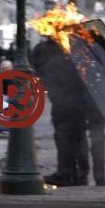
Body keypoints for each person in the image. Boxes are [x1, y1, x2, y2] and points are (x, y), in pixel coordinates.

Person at [32, 38, 88, 186]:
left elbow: (38, 69)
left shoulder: (46, 50)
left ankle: (65, 174)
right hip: (80, 101)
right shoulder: (78, 47)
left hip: (64, 100)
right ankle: (80, 175)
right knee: (78, 138)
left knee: (63, 136)